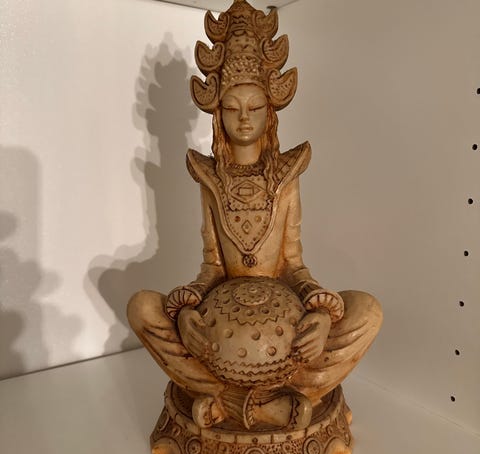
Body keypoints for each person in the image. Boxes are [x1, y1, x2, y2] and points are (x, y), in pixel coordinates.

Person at [128, 0, 381, 431]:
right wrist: (187, 313)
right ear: (217, 112)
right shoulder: (209, 177)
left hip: (281, 321)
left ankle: (238, 400)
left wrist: (320, 314)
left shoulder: (287, 175)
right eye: (231, 108)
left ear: (271, 111)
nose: (244, 119)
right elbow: (212, 268)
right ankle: (255, 402)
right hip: (223, 325)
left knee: (367, 310)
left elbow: (293, 265)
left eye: (255, 107)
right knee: (142, 307)